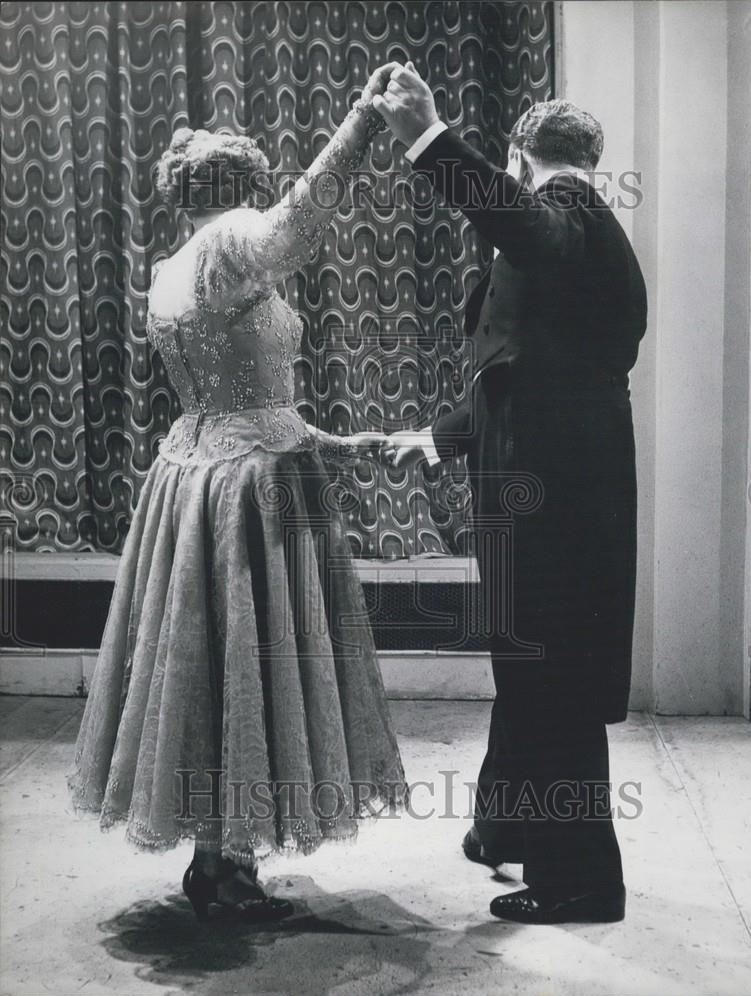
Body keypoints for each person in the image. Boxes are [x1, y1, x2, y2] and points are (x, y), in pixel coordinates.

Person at [68, 64, 406, 923]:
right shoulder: (232, 244)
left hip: (195, 473)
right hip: (255, 488)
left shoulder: (169, 266)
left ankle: (218, 859)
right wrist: (364, 124)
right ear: (244, 187)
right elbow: (302, 219)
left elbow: (238, 395)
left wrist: (333, 437)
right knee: (256, 664)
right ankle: (228, 866)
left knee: (209, 665)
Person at [377, 66, 647, 924]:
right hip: (552, 488)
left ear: (516, 156)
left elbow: (527, 228)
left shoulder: (566, 219)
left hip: (556, 502)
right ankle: (505, 827)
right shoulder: (578, 232)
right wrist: (441, 435)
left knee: (550, 672)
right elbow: (521, 364)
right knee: (528, 661)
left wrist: (427, 137)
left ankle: (581, 882)